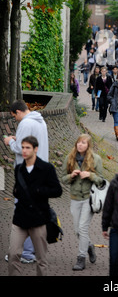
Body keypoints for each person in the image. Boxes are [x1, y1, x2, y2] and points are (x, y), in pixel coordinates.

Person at [7, 136, 62, 276]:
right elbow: (16, 189)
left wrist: (39, 191)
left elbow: (57, 191)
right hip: (20, 219)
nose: (24, 151)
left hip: (38, 220)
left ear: (35, 149)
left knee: (41, 259)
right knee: (13, 254)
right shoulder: (19, 168)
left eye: (27, 148)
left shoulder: (46, 168)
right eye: (23, 147)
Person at [4, 99, 49, 264]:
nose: (15, 119)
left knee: (23, 213)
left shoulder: (25, 124)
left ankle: (25, 253)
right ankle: (32, 251)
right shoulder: (40, 121)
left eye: (14, 116)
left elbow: (20, 149)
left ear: (18, 112)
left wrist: (10, 142)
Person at [61, 134, 104, 271]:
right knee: (77, 230)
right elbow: (63, 179)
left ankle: (81, 258)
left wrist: (91, 175)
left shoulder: (96, 159)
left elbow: (102, 181)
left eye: (83, 143)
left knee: (83, 228)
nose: (80, 145)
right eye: (78, 142)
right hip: (75, 198)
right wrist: (71, 176)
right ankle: (89, 246)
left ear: (88, 145)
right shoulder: (69, 158)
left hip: (88, 198)